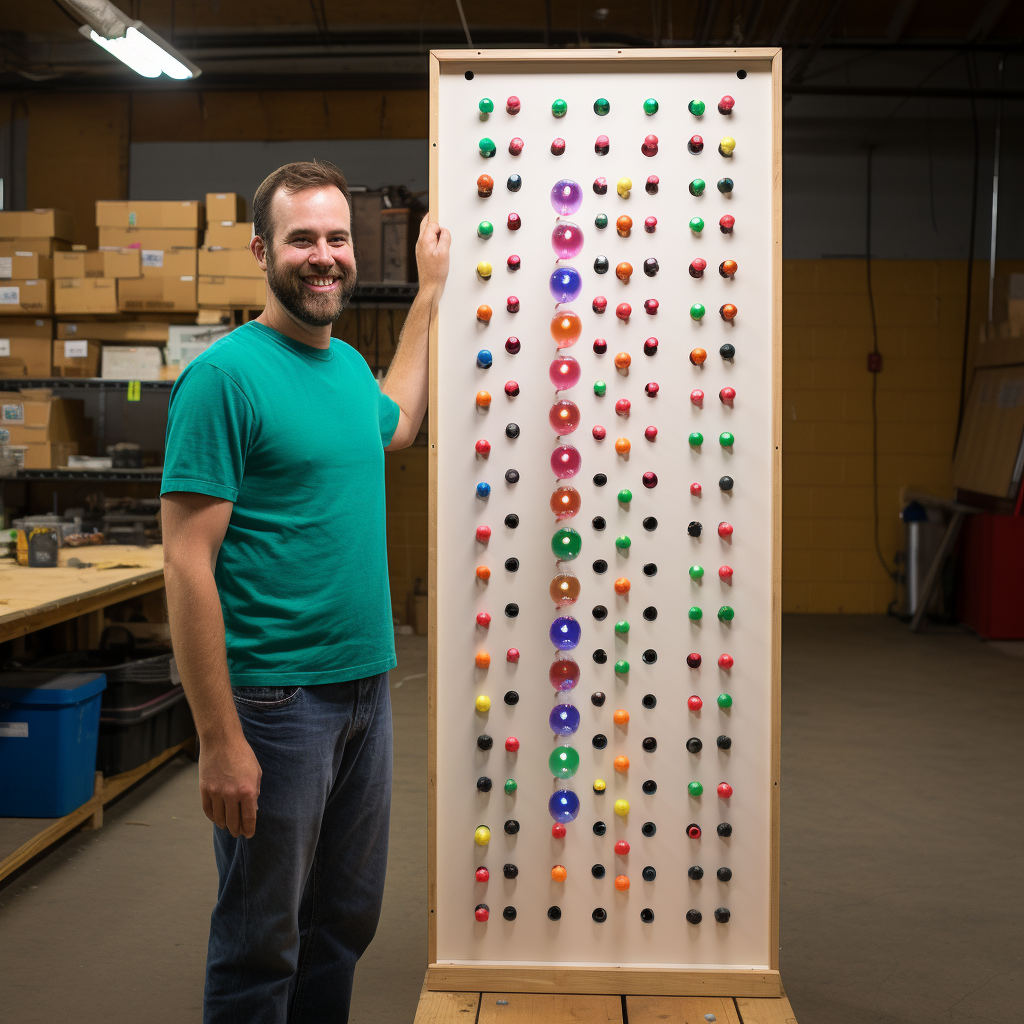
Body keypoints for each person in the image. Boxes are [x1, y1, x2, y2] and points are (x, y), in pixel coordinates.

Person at [160, 160, 449, 1023]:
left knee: (343, 922)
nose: (323, 258)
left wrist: (429, 296)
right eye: (302, 240)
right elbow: (184, 562)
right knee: (262, 940)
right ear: (262, 251)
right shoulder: (224, 379)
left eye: (336, 239)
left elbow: (395, 423)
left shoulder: (347, 365)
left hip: (366, 687)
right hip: (276, 701)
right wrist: (219, 739)